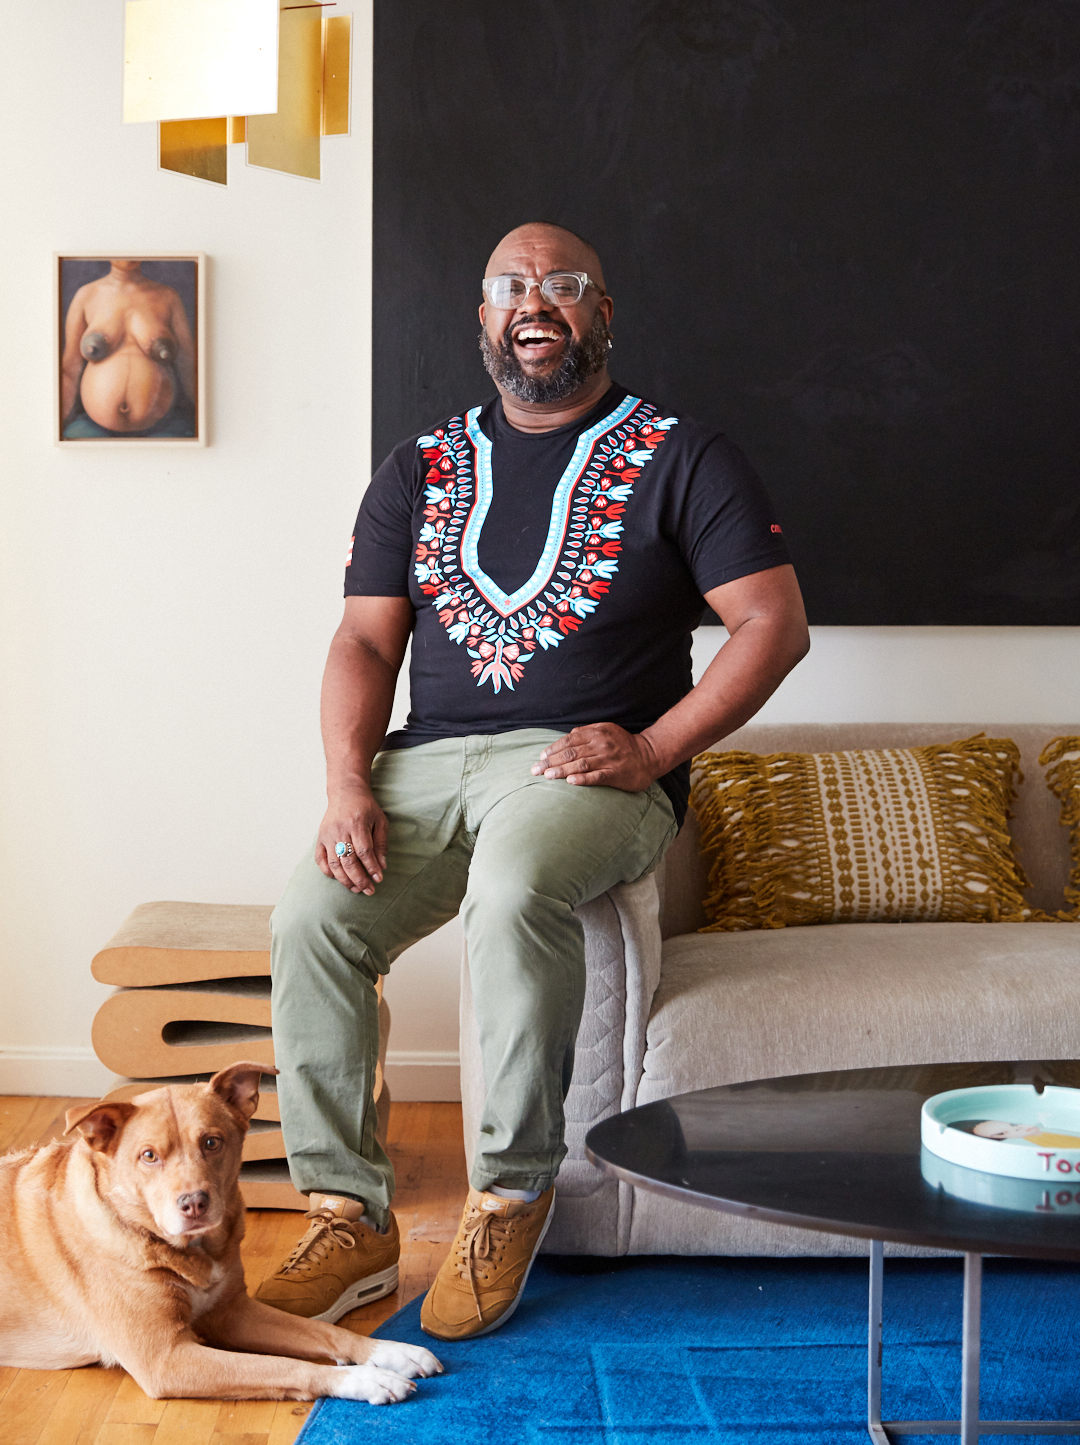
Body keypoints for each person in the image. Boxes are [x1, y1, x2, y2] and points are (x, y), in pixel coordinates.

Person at [255, 222, 810, 1341]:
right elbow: (363, 643)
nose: (535, 301)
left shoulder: (681, 453)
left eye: (563, 284)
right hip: (423, 764)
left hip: (588, 768)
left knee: (512, 885)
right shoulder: (420, 466)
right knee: (312, 912)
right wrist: (344, 781)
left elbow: (772, 624)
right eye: (510, 284)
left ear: (603, 313)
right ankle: (350, 1218)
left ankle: (506, 1194)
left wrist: (654, 750)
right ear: (482, 319)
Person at [60, 260, 196, 438]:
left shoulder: (167, 297)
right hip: (92, 430)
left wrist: (202, 418)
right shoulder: (86, 295)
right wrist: (58, 424)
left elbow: (190, 366)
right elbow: (70, 366)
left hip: (163, 429)